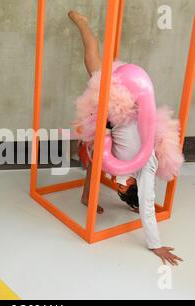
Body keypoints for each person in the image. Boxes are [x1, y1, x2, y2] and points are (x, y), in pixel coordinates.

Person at [68, 10, 183, 266]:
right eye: (121, 189)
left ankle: (87, 195)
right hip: (122, 101)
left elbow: (102, 163)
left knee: (96, 159)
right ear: (131, 186)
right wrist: (155, 245)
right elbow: (148, 204)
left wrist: (103, 130)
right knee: (93, 61)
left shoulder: (125, 170)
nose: (116, 186)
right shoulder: (145, 167)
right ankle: (82, 23)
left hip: (116, 113)